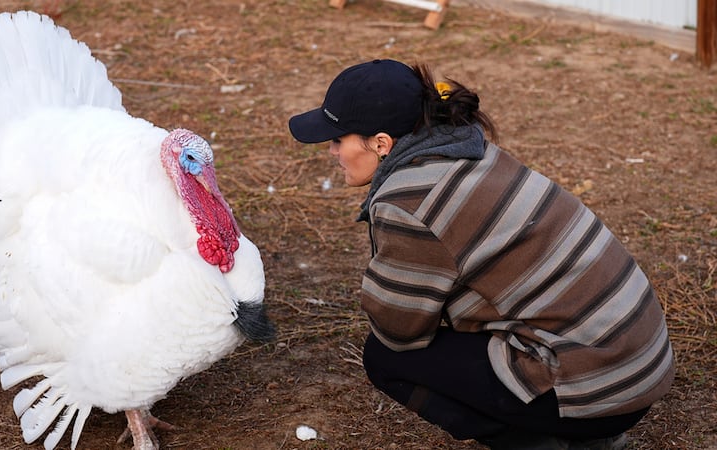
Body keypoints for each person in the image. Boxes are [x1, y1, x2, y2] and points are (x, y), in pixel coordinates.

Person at [287, 59, 674, 450]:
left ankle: (552, 445)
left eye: (338, 139)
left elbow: (398, 331)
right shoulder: (466, 150)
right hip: (636, 361)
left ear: (382, 143)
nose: (332, 150)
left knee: (385, 359)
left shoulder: (409, 200)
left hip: (601, 388)